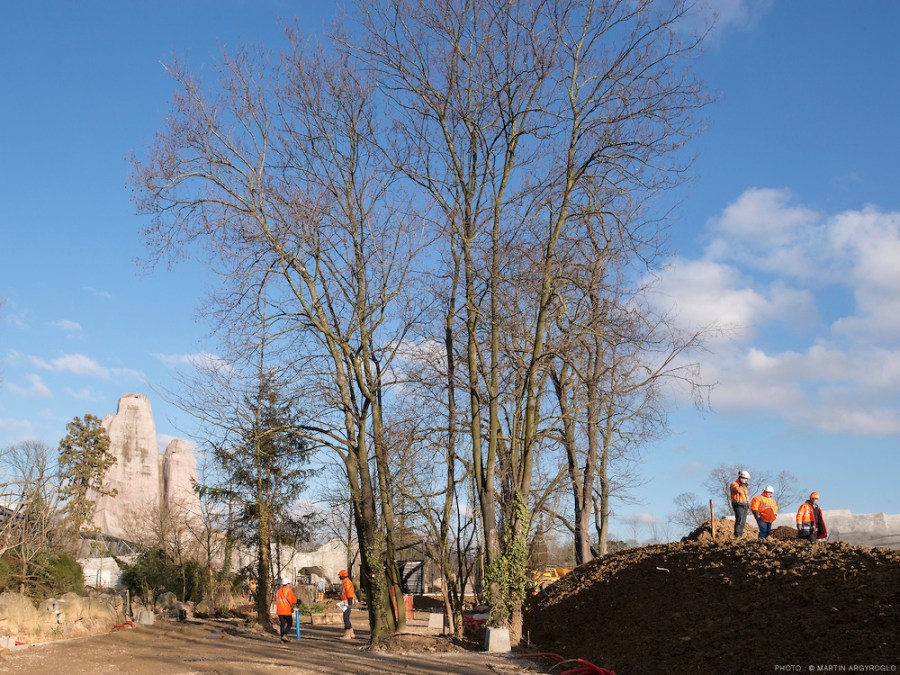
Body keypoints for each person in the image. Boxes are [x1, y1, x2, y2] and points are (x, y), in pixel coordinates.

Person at [274, 577, 298, 643]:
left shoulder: (278, 591)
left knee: (282, 624)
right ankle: (284, 635)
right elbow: (292, 600)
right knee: (289, 623)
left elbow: (275, 598)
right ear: (287, 584)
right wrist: (297, 601)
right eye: (289, 583)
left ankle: (282, 639)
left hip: (279, 610)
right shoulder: (288, 590)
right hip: (286, 610)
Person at [729, 470, 751, 537]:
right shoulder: (734, 484)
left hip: (745, 505)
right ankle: (737, 535)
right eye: (745, 479)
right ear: (741, 478)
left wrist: (748, 504)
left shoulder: (744, 487)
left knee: (743, 522)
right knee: (739, 520)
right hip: (738, 505)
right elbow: (737, 490)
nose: (746, 480)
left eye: (746, 479)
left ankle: (740, 535)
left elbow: (746, 496)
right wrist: (742, 486)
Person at [338, 569, 356, 639]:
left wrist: (350, 602)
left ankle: (347, 634)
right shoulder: (346, 582)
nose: (339, 577)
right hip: (346, 601)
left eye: (340, 576)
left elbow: (349, 593)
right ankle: (351, 633)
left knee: (345, 618)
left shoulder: (347, 583)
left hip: (347, 601)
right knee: (347, 617)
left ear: (343, 576)